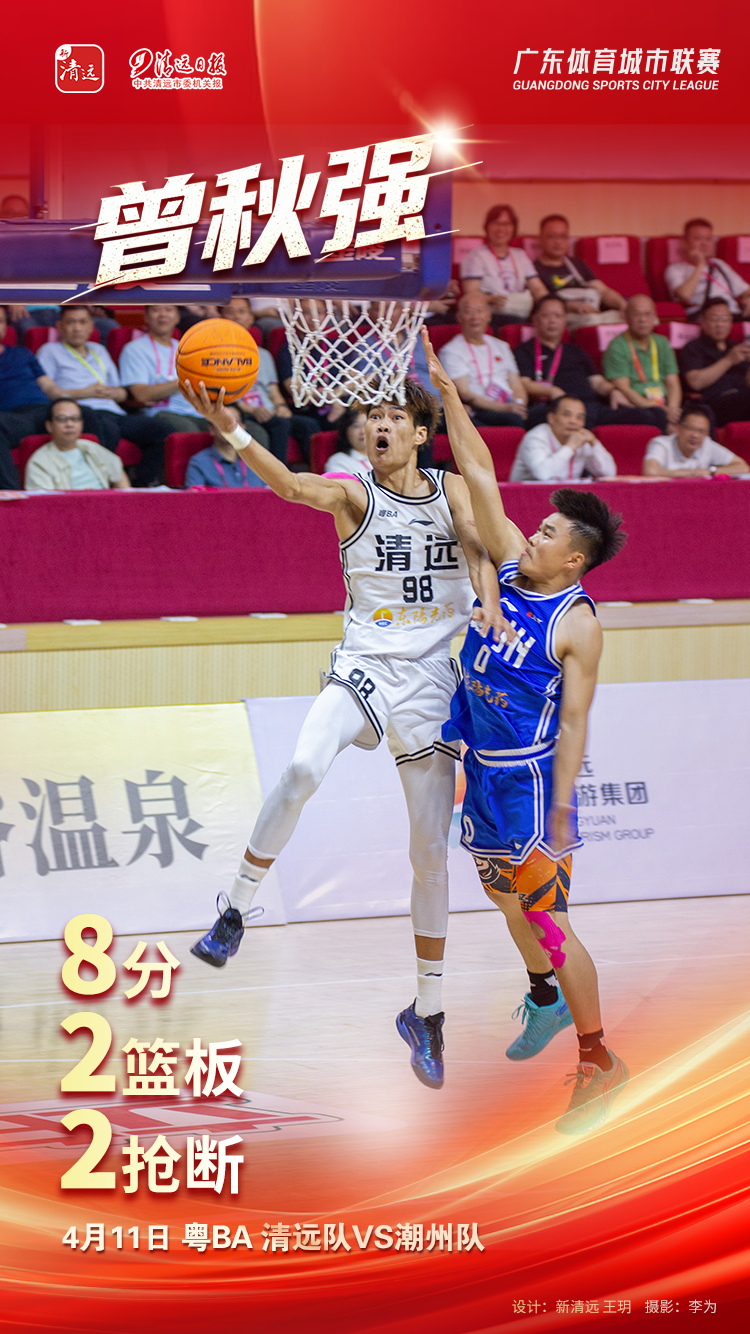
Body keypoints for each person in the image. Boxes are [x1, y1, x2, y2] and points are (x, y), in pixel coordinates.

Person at [182, 373, 506, 1090]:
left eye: (394, 416)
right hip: (365, 666)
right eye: (372, 416)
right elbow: (291, 486)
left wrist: (486, 602)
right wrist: (232, 428)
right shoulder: (353, 492)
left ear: (421, 433)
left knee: (430, 852)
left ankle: (427, 1013)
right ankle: (235, 910)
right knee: (302, 769)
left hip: (433, 680)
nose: (379, 425)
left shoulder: (452, 490)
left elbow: (480, 549)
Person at [422, 328, 629, 1134]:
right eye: (538, 526)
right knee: (503, 898)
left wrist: (561, 809)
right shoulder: (509, 565)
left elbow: (575, 721)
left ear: (575, 560)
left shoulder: (577, 623)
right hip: (481, 769)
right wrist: (449, 397)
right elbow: (478, 472)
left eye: (549, 534)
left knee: (549, 920)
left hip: (530, 785)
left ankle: (599, 1058)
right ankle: (545, 997)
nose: (533, 533)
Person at [36, 306, 169, 485]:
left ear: (91, 326)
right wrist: (86, 392)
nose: (77, 328)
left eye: (82, 322)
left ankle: (139, 485)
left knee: (161, 430)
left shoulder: (99, 350)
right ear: (60, 326)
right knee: (107, 428)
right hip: (81, 411)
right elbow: (47, 392)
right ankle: (105, 484)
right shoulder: (49, 351)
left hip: (114, 411)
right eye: (71, 322)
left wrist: (115, 393)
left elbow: (122, 393)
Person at [514, 295, 654, 429]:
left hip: (589, 406)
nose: (552, 321)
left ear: (565, 319)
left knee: (648, 416)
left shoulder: (577, 350)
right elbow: (523, 383)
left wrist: (613, 391)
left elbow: (597, 382)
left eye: (558, 316)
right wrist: (551, 391)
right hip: (556, 409)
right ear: (535, 319)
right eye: (546, 316)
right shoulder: (524, 351)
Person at [221, 297, 319, 463]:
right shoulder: (215, 355)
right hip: (241, 411)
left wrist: (281, 406)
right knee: (280, 425)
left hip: (269, 410)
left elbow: (273, 391)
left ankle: (317, 473)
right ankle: (279, 475)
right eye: (230, 312)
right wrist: (252, 410)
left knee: (308, 424)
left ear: (251, 318)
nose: (236, 316)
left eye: (242, 312)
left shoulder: (263, 355)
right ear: (222, 319)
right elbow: (222, 396)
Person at [439, 293, 528, 428]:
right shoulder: (451, 351)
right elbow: (465, 393)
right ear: (459, 317)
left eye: (479, 311)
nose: (475, 317)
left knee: (545, 415)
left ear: (488, 316)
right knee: (513, 419)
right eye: (468, 312)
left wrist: (519, 405)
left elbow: (516, 383)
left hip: (510, 405)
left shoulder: (501, 346)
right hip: (481, 409)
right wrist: (506, 408)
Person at [119, 304, 208, 436]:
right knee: (190, 432)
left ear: (177, 317)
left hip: (196, 412)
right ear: (146, 317)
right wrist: (183, 381)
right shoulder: (134, 349)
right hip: (160, 413)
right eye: (156, 310)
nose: (163, 314)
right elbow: (141, 394)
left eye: (169, 309)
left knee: (228, 429)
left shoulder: (186, 350)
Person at [602, 296, 681, 432]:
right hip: (634, 406)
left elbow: (673, 382)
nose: (643, 320)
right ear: (626, 316)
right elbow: (624, 389)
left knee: (700, 415)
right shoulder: (617, 346)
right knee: (655, 417)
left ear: (655, 317)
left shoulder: (662, 343)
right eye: (637, 314)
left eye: (647, 314)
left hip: (664, 406)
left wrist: (673, 410)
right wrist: (663, 410)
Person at [460, 205, 547, 327]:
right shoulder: (476, 256)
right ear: (487, 226)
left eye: (506, 224)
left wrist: (549, 305)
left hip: (521, 312)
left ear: (514, 228)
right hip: (491, 315)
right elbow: (471, 292)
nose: (501, 229)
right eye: (496, 223)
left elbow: (538, 289)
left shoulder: (520, 255)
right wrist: (490, 299)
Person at [534, 215, 627, 328]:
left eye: (563, 236)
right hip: (565, 316)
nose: (558, 242)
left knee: (632, 318)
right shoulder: (534, 269)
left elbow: (603, 291)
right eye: (552, 236)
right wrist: (573, 306)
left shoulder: (577, 264)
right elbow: (542, 299)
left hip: (594, 312)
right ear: (540, 239)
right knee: (592, 321)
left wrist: (623, 305)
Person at [25, 398, 131, 491]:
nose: (69, 424)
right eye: (62, 419)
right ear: (49, 426)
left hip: (103, 504)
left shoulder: (91, 447)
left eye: (75, 419)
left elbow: (118, 472)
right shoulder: (40, 461)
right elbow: (43, 502)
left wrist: (126, 499)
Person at [510, 395, 617, 482]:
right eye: (567, 415)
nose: (573, 421)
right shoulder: (535, 438)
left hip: (565, 498)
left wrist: (594, 443)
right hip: (526, 497)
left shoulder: (581, 439)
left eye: (579, 417)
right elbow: (543, 475)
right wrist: (570, 447)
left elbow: (608, 473)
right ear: (551, 418)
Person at [678, 298, 750, 426]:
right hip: (712, 404)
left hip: (742, 399)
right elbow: (695, 383)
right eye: (714, 319)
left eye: (724, 319)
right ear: (703, 321)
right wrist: (729, 360)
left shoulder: (736, 347)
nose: (719, 324)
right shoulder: (693, 348)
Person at [665, 219, 750, 321]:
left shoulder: (719, 264)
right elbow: (684, 296)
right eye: (698, 238)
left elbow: (745, 290)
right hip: (705, 316)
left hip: (732, 314)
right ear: (685, 243)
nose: (704, 243)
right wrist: (700, 265)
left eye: (708, 239)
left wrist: (748, 299)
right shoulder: (675, 269)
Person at [642, 405, 748, 479]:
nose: (695, 435)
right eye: (690, 429)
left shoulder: (707, 444)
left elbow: (743, 467)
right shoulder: (661, 444)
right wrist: (690, 473)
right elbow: (651, 471)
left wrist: (709, 471)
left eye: (701, 431)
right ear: (678, 428)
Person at [184, 404, 266, 488]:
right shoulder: (199, 462)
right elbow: (194, 495)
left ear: (243, 427)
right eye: (223, 421)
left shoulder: (256, 460)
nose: (229, 427)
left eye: (235, 422)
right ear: (212, 429)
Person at [323, 408, 372, 478]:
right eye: (356, 426)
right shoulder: (339, 461)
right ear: (345, 431)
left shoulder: (385, 456)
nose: (362, 431)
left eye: (366, 425)